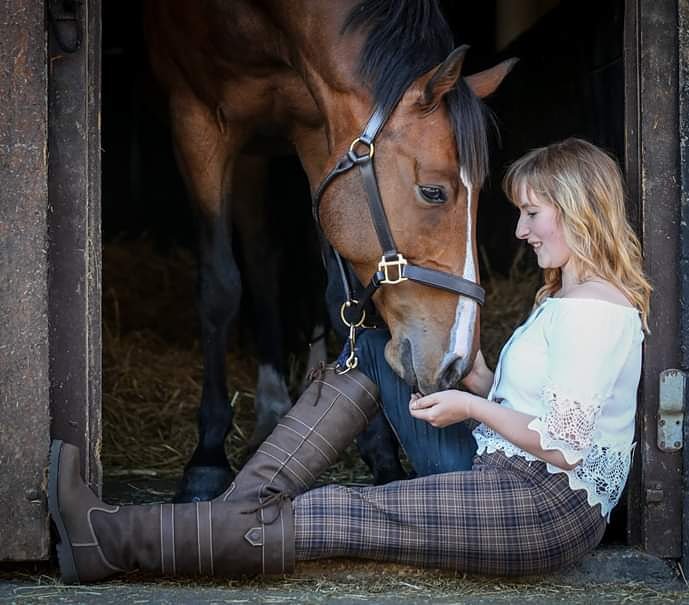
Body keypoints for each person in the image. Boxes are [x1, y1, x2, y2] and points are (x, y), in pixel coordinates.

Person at [48, 138, 651, 583]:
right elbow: (540, 408)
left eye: (532, 213)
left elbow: (564, 446)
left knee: (334, 511)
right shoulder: (565, 298)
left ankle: (112, 538)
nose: (519, 231)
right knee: (373, 344)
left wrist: (469, 404)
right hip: (506, 473)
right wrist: (482, 379)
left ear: (577, 211)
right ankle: (227, 521)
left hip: (541, 510)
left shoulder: (594, 312)